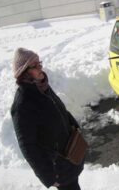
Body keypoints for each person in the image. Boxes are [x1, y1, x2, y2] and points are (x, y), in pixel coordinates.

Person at [10, 48, 84, 189]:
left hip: (70, 154)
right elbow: (27, 145)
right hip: (58, 165)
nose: (40, 67)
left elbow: (60, 111)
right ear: (24, 71)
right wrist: (47, 176)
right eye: (35, 65)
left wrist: (75, 128)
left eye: (40, 63)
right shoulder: (22, 104)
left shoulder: (41, 87)